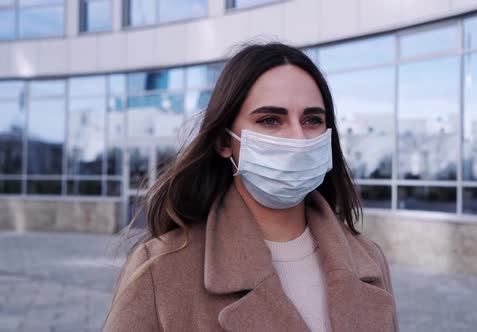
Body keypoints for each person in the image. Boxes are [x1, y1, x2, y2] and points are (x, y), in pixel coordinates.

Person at [103, 42, 399, 332]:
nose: (298, 139)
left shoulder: (369, 259)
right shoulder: (161, 269)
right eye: (270, 120)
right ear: (223, 141)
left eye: (312, 120)